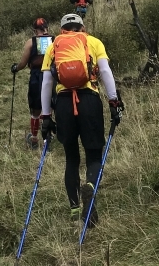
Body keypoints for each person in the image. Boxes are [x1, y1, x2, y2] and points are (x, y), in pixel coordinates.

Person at [39, 13, 123, 228]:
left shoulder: (54, 47)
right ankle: (90, 188)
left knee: (71, 157)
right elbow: (104, 71)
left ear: (62, 29)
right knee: (94, 154)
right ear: (82, 27)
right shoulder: (93, 42)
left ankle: (75, 208)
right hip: (89, 101)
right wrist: (114, 102)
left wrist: (46, 116)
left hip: (64, 104)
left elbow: (47, 83)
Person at [11, 19, 53, 149]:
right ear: (46, 28)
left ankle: (34, 138)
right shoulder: (55, 40)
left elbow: (23, 63)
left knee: (36, 108)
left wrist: (15, 68)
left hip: (37, 76)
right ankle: (48, 137)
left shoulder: (31, 42)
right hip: (52, 75)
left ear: (35, 30)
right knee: (50, 106)